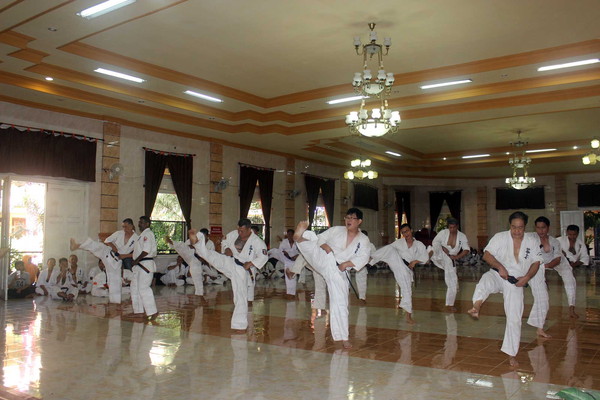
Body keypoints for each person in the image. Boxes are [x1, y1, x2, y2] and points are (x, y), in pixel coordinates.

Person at [467, 211, 542, 367]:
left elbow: (536, 262)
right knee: (485, 280)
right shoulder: (500, 237)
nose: (516, 231)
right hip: (498, 274)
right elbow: (487, 255)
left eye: (520, 228)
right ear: (510, 225)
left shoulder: (532, 241)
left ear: (525, 227)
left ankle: (511, 354)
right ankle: (477, 306)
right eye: (514, 227)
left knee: (515, 318)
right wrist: (500, 266)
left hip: (515, 281)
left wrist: (527, 277)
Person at [293, 208, 371, 349]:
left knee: (340, 305)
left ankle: (342, 337)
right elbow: (321, 239)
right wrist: (325, 246)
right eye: (347, 217)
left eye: (352, 218)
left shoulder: (363, 240)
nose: (348, 220)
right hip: (326, 258)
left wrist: (346, 264)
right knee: (313, 241)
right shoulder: (336, 230)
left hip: (339, 270)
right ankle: (300, 237)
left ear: (359, 221)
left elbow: (364, 257)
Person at [189, 218, 267, 331]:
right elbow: (224, 242)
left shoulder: (257, 241)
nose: (239, 232)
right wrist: (226, 249)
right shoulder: (234, 234)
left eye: (242, 231)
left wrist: (250, 263)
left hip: (242, 269)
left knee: (240, 295)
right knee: (212, 256)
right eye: (239, 230)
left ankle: (239, 325)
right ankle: (197, 243)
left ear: (249, 229)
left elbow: (263, 256)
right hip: (230, 261)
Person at [371, 223, 428, 324]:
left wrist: (415, 261)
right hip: (398, 263)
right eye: (403, 232)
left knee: (407, 291)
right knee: (389, 248)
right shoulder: (399, 242)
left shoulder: (419, 244)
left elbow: (425, 258)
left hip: (407, 269)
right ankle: (369, 259)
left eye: (407, 231)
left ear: (411, 230)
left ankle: (408, 315)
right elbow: (387, 250)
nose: (406, 234)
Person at [533, 218, 578, 319]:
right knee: (539, 285)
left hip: (559, 262)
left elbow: (557, 260)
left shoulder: (554, 241)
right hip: (542, 262)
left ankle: (571, 308)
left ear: (548, 228)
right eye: (538, 228)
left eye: (543, 228)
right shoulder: (531, 237)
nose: (541, 231)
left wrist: (544, 268)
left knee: (570, 281)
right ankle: (541, 311)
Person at [428, 218, 470, 312]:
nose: (452, 229)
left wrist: (457, 257)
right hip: (439, 254)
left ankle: (449, 305)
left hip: (450, 259)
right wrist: (442, 248)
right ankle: (425, 259)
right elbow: (435, 242)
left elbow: (466, 249)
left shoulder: (462, 236)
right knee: (431, 248)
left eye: (454, 227)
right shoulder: (443, 233)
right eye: (450, 227)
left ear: (457, 227)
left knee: (452, 282)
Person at [70, 237, 124, 304]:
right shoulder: (109, 247)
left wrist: (116, 251)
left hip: (115, 261)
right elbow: (107, 242)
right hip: (113, 258)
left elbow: (123, 255)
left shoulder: (132, 240)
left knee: (115, 285)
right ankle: (78, 245)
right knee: (101, 247)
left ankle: (115, 303)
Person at [131, 216, 158, 319]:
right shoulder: (141, 235)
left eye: (142, 222)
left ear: (147, 224)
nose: (139, 224)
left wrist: (136, 260)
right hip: (139, 265)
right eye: (139, 222)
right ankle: (139, 311)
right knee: (135, 288)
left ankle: (153, 311)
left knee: (143, 288)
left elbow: (146, 251)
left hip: (145, 264)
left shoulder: (148, 234)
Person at [274, 229, 300, 297]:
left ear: (293, 235)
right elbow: (280, 251)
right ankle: (289, 293)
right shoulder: (284, 242)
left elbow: (300, 251)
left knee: (293, 277)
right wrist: (286, 255)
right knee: (288, 277)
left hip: (295, 261)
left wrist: (296, 256)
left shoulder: (297, 242)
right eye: (288, 234)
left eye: (291, 234)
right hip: (287, 261)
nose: (290, 236)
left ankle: (293, 293)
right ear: (287, 235)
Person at [354, 230, 376, 303]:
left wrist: (369, 261)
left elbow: (374, 255)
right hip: (355, 264)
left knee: (362, 281)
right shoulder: (356, 244)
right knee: (357, 281)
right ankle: (360, 296)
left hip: (364, 266)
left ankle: (362, 297)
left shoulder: (370, 245)